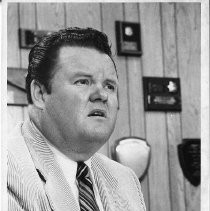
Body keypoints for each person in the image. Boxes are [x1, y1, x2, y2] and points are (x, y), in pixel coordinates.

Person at [7, 27, 146, 211]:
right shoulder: (7, 172)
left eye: (109, 86)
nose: (102, 95)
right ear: (40, 94)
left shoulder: (126, 179)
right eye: (83, 81)